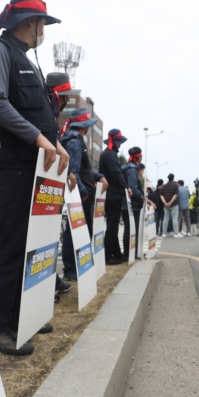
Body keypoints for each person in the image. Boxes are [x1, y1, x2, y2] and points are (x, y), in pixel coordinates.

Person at [0, 0, 71, 356]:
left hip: (33, 172)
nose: (43, 30)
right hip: (12, 169)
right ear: (31, 22)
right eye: (43, 23)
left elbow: (39, 118)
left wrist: (53, 143)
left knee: (29, 248)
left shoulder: (27, 61)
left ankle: (21, 316)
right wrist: (40, 139)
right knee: (8, 250)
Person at [60, 108, 108, 280]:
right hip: (80, 194)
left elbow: (83, 171)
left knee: (76, 231)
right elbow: (73, 171)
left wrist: (99, 176)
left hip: (81, 192)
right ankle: (71, 269)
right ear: (84, 126)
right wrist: (84, 192)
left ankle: (75, 267)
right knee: (73, 232)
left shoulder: (74, 140)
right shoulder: (74, 142)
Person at [45, 72, 78, 297]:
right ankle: (48, 284)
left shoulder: (49, 114)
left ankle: (50, 281)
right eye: (64, 97)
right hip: (40, 183)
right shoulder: (43, 111)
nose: (65, 103)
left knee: (49, 238)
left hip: (49, 187)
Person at [99, 129, 129, 264]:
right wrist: (126, 186)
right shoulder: (111, 155)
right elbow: (116, 173)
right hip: (113, 194)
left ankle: (116, 253)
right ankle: (106, 255)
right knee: (112, 227)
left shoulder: (106, 153)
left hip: (109, 194)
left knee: (113, 225)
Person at [121, 147, 144, 259]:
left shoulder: (126, 167)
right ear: (139, 157)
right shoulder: (132, 170)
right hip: (132, 205)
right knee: (131, 230)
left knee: (128, 229)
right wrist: (141, 195)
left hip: (126, 204)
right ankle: (130, 253)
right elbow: (133, 188)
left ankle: (129, 252)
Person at [160, 173, 181, 238]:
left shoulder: (164, 186)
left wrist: (165, 202)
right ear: (173, 178)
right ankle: (176, 233)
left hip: (166, 205)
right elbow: (176, 194)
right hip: (174, 204)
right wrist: (171, 202)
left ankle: (164, 233)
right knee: (174, 219)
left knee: (166, 219)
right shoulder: (175, 185)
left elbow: (161, 195)